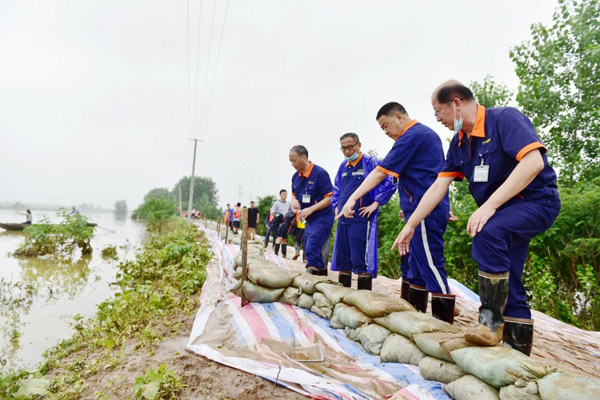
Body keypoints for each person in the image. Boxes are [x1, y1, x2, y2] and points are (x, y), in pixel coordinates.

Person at [395, 80, 560, 355]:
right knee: (512, 280)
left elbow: (534, 162)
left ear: (456, 103)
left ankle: (490, 322)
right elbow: (438, 187)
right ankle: (515, 357)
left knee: (486, 231)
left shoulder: (503, 120)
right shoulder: (459, 145)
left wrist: (489, 206)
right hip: (503, 215)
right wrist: (411, 225)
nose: (438, 120)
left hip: (535, 202)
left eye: (438, 112)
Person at [338, 102, 454, 323]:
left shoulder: (412, 136)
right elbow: (432, 176)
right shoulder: (423, 136)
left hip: (424, 211)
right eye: (382, 129)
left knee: (430, 265)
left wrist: (353, 198)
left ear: (399, 117)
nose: (386, 132)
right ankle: (417, 321)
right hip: (419, 210)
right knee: (416, 268)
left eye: (386, 125)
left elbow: (380, 174)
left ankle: (444, 325)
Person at [331, 133, 396, 290]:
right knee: (343, 258)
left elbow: (391, 180)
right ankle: (343, 294)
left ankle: (364, 296)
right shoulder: (343, 166)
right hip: (343, 218)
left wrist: (376, 203)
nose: (347, 151)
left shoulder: (370, 162)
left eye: (350, 147)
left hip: (361, 217)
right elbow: (337, 189)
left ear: (358, 145)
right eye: (343, 148)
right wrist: (337, 207)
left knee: (361, 259)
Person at [289, 145, 334, 276]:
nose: (292, 164)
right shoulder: (295, 177)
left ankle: (311, 278)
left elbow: (329, 198)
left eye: (294, 160)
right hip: (308, 219)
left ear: (304, 157)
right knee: (309, 247)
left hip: (322, 217)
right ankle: (321, 277)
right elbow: (293, 194)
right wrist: (294, 201)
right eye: (290, 161)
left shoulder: (320, 174)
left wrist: (311, 209)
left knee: (312, 248)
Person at [268, 190, 292, 254]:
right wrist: (280, 215)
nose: (285, 196)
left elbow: (291, 211)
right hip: (278, 222)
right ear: (280, 195)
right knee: (279, 237)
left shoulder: (288, 203)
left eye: (286, 194)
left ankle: (284, 254)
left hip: (286, 222)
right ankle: (276, 252)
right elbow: (273, 212)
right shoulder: (276, 203)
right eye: (284, 194)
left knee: (284, 238)